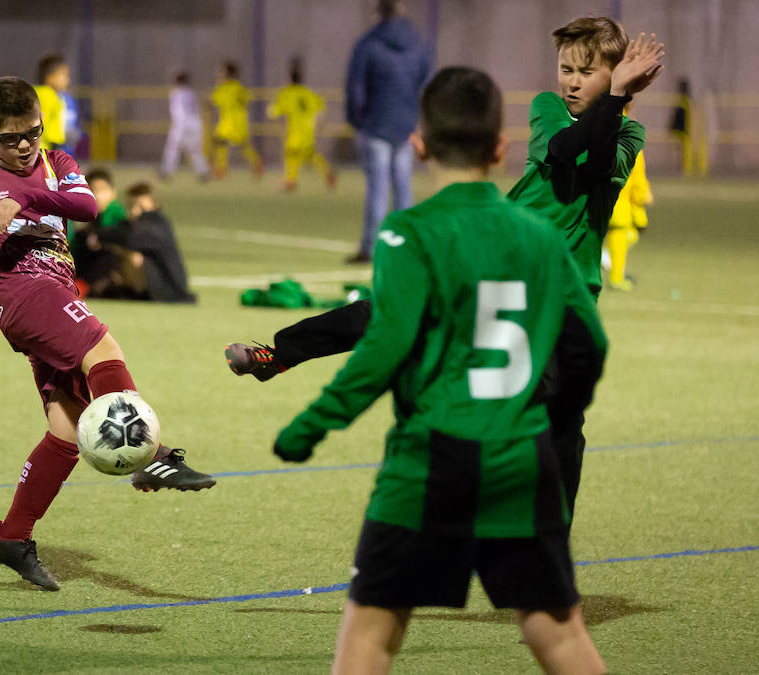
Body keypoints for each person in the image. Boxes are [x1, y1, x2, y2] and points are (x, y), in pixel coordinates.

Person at [226, 18, 663, 518]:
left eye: (586, 72)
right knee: (391, 313)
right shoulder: (548, 110)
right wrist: (614, 96)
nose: (570, 81)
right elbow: (566, 155)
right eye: (565, 68)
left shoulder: (630, 133)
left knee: (563, 427)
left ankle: (546, 548)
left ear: (617, 74)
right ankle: (278, 354)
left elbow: (594, 163)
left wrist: (618, 100)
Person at [274, 66, 608, 675]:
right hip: (518, 459)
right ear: (501, 150)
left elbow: (383, 347)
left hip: (430, 464)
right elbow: (588, 346)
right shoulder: (539, 237)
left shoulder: (410, 231)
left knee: (371, 636)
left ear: (419, 145)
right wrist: (547, 414)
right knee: (558, 635)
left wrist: (312, 426)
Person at [0, 76, 215, 592]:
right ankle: (152, 457)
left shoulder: (61, 165)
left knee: (67, 429)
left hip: (58, 297)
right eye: (10, 138)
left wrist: (26, 202)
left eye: (32, 131)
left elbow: (86, 208)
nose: (25, 145)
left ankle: (10, 536)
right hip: (22, 297)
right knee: (104, 348)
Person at [344, 0, 432, 263]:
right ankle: (406, 247)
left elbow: (355, 88)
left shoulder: (369, 44)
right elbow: (425, 83)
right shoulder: (418, 45)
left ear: (378, 12)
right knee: (404, 186)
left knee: (378, 189)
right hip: (405, 125)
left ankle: (371, 248)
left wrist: (357, 120)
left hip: (375, 125)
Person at [267, 57, 336, 192]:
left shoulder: (287, 93)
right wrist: (318, 121)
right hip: (308, 131)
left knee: (290, 154)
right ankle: (327, 171)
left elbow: (273, 111)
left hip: (295, 132)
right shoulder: (308, 92)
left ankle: (290, 180)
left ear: (289, 78)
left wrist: (271, 113)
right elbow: (321, 107)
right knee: (311, 155)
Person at [123, 182, 198, 303]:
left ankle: (138, 294)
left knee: (134, 257)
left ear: (155, 204)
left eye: (141, 207)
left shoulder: (157, 223)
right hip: (161, 285)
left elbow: (131, 240)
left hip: (170, 290)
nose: (134, 211)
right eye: (131, 206)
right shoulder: (144, 223)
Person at [70, 167, 129, 298]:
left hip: (117, 271)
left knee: (107, 253)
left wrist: (99, 238)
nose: (97, 196)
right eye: (93, 191)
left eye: (102, 190)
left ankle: (82, 286)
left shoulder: (118, 214)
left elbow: (124, 236)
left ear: (113, 193)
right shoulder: (90, 220)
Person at [603, 146, 652, 291]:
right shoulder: (633, 147)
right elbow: (638, 178)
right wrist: (643, 196)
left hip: (598, 198)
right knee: (623, 236)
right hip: (620, 201)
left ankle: (605, 258)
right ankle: (616, 277)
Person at [211, 60, 264, 179]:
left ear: (226, 74)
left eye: (222, 72)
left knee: (219, 142)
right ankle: (256, 162)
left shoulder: (224, 88)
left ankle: (221, 169)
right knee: (242, 146)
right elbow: (247, 99)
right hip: (241, 123)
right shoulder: (240, 88)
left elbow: (215, 100)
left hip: (229, 123)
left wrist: (219, 84)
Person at [161, 72, 210, 182]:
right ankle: (203, 172)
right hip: (196, 123)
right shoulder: (191, 92)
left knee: (172, 148)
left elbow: (177, 111)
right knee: (196, 150)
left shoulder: (175, 92)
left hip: (182, 123)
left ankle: (166, 171)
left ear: (177, 81)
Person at [34, 54, 70, 151]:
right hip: (45, 146)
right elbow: (42, 119)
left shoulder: (39, 92)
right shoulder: (47, 94)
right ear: (49, 77)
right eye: (64, 75)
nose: (67, 80)